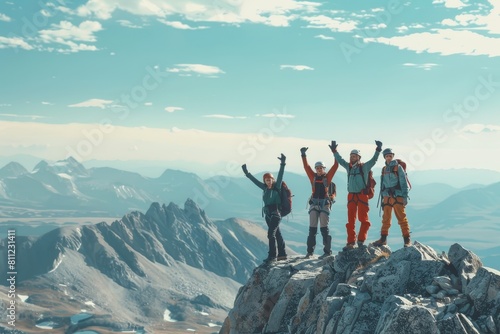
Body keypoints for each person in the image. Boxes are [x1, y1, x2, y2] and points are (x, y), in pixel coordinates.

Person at [331, 140, 382, 251]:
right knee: (350, 221)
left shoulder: (364, 167)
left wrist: (378, 149)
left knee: (363, 219)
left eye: (354, 156)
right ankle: (350, 242)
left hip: (362, 196)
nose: (352, 158)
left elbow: (374, 160)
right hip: (351, 196)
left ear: (359, 157)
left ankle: (361, 240)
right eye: (351, 156)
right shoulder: (348, 167)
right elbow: (340, 160)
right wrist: (334, 151)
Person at [242, 154, 287, 263]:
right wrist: (247, 173)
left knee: (270, 234)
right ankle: (282, 254)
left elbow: (280, 175)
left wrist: (282, 163)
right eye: (266, 180)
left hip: (276, 213)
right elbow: (254, 181)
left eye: (270, 179)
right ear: (265, 181)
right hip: (267, 214)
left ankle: (272, 256)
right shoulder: (264, 188)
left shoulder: (277, 187)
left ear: (273, 180)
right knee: (277, 233)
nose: (268, 181)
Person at [300, 145, 339, 258]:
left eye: (321, 168)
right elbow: (306, 166)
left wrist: (334, 152)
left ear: (324, 169)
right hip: (314, 204)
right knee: (312, 228)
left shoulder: (328, 177)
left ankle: (327, 252)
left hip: (324, 204)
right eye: (317, 168)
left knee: (324, 229)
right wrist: (303, 155)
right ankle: (310, 252)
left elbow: (336, 166)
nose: (318, 170)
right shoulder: (312, 177)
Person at [372, 148, 411, 247]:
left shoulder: (398, 168)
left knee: (402, 218)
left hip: (397, 196)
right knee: (386, 219)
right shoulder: (384, 169)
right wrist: (382, 199)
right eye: (386, 156)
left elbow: (403, 182)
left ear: (392, 156)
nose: (388, 158)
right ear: (384, 157)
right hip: (387, 197)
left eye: (390, 156)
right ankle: (383, 239)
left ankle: (407, 240)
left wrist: (405, 197)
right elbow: (382, 185)